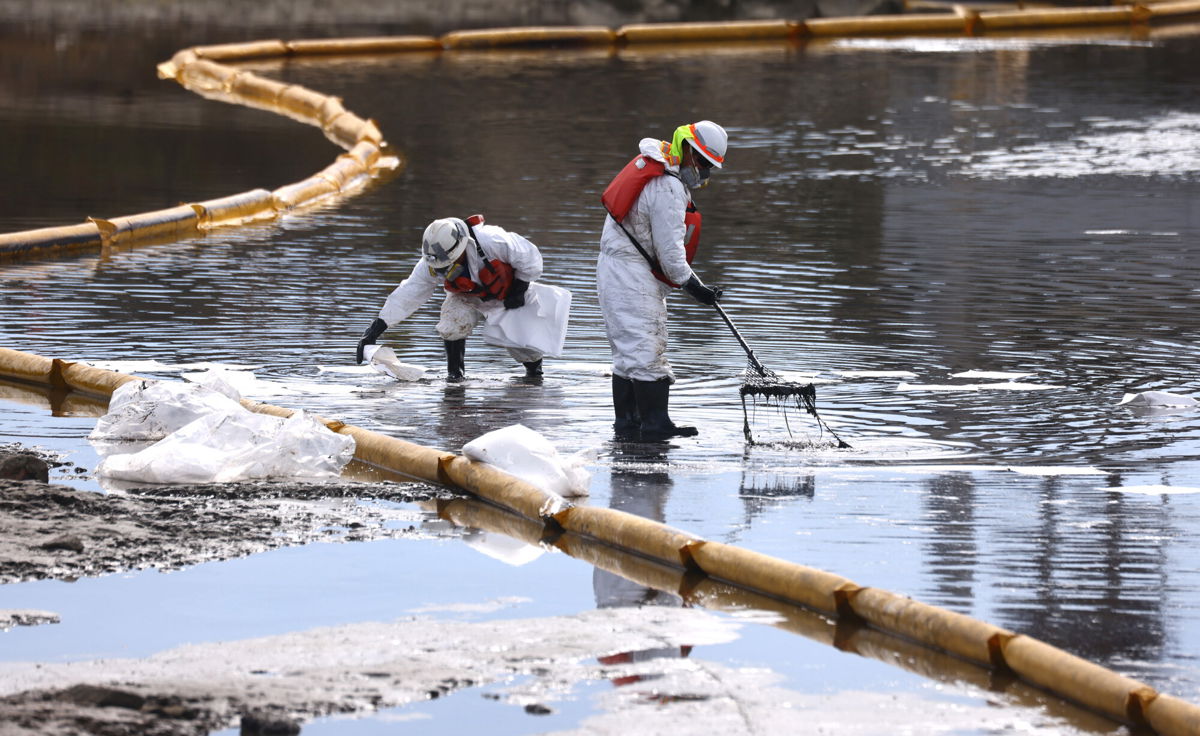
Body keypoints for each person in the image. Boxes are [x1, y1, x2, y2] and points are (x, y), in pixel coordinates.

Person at [597, 120, 728, 440]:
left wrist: (688, 280)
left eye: (710, 167)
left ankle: (628, 424)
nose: (704, 172)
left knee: (628, 352)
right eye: (703, 163)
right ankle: (655, 425)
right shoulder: (667, 187)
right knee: (646, 347)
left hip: (618, 270)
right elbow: (670, 254)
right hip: (629, 275)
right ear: (687, 149)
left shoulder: (657, 169)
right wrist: (696, 288)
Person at [355, 215, 545, 381]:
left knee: (521, 345)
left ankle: (535, 375)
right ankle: (455, 377)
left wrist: (519, 288)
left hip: (508, 292)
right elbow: (408, 294)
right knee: (451, 322)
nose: (443, 271)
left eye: (448, 265)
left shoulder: (492, 240)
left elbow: (531, 258)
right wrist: (375, 329)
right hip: (468, 296)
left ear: (462, 247)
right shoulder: (431, 262)